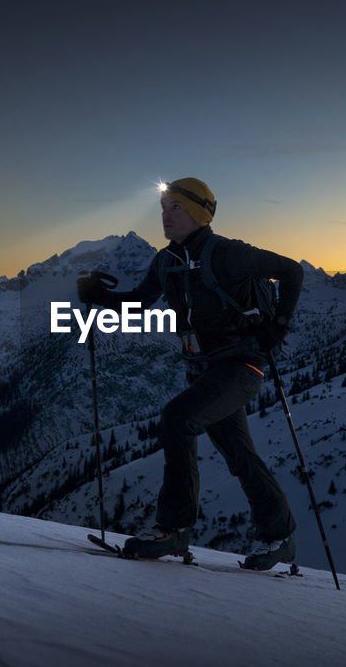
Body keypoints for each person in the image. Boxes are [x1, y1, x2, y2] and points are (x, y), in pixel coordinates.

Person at [77, 177, 302, 570]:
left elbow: (290, 271)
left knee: (177, 419)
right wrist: (104, 298)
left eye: (175, 208)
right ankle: (280, 537)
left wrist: (278, 324)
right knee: (240, 455)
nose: (165, 217)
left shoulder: (228, 254)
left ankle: (174, 530)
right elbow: (140, 303)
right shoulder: (166, 261)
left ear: (199, 211)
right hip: (204, 371)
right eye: (163, 210)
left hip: (240, 366)